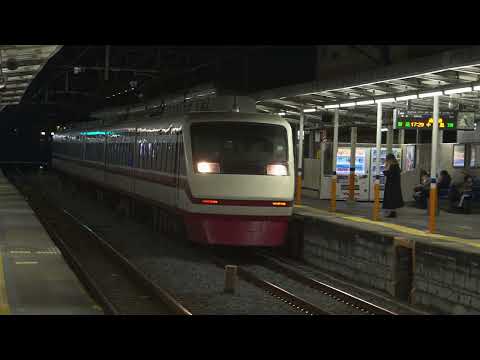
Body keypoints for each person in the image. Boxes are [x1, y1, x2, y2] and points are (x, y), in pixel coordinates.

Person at [383, 153, 404, 218]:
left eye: (387, 159)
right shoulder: (396, 165)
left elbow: (389, 174)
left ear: (389, 159)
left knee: (390, 199)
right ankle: (392, 212)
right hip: (395, 185)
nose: (386, 161)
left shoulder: (392, 166)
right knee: (393, 199)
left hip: (391, 185)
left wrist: (385, 170)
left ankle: (391, 213)